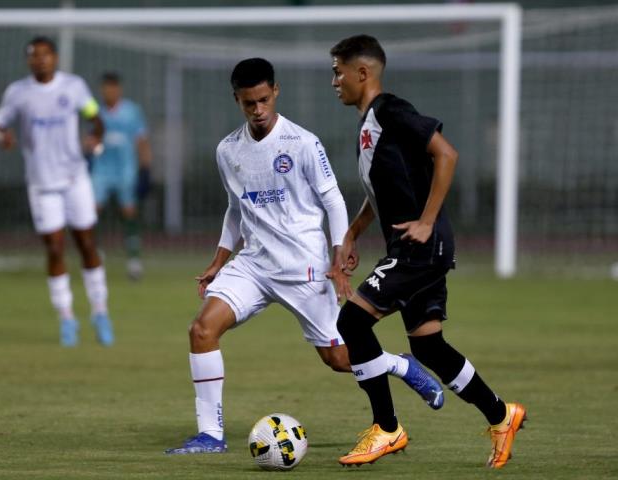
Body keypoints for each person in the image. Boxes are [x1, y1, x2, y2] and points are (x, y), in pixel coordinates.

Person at [165, 58, 444, 455]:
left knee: (338, 358)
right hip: (254, 265)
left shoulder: (302, 142)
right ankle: (210, 435)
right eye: (249, 104)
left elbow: (332, 199)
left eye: (263, 100)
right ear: (237, 101)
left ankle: (400, 364)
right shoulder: (228, 150)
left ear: (275, 92)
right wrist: (218, 259)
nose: (258, 110)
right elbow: (235, 208)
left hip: (304, 267)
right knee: (201, 331)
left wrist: (337, 253)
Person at [329, 34, 526, 468]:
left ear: (363, 73)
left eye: (338, 71)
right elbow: (379, 193)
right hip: (421, 245)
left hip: (421, 245)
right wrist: (353, 234)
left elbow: (447, 154)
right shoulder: (369, 124)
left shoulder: (390, 110)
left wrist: (426, 219)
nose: (334, 81)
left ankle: (387, 428)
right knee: (428, 347)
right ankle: (501, 415)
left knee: (352, 320)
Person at [0, 36, 114, 347]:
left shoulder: (73, 87)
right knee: (55, 249)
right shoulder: (18, 93)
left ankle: (100, 310)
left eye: (45, 55)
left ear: (55, 58)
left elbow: (94, 117)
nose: (40, 60)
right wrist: (1, 137)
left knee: (87, 244)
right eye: (34, 56)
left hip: (75, 179)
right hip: (42, 184)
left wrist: (95, 137)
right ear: (28, 60)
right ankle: (67, 317)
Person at [90, 72, 152, 280]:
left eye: (113, 87)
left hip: (126, 170)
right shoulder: (96, 112)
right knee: (92, 211)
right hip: (102, 170)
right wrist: (90, 150)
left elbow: (141, 140)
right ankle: (94, 256)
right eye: (106, 88)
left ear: (119, 89)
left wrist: (145, 168)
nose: (109, 91)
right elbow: (92, 141)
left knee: (129, 212)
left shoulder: (132, 111)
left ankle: (134, 261)